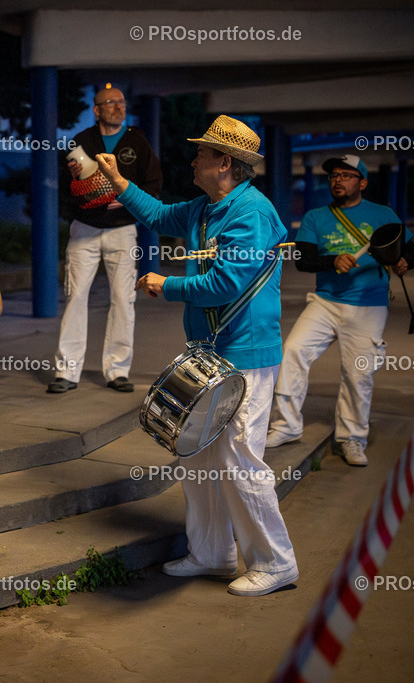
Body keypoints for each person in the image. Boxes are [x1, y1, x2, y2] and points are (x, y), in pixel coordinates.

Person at [96, 115, 299, 597]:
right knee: (199, 457)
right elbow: (161, 216)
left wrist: (167, 286)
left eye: (202, 153)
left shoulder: (250, 213)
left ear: (224, 163)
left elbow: (227, 283)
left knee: (238, 459)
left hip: (246, 353)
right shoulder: (208, 206)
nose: (194, 159)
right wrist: (119, 181)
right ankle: (212, 553)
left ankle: (276, 562)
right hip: (213, 353)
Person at [266, 154, 414, 465]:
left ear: (362, 182)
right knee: (293, 351)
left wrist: (406, 262)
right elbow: (304, 260)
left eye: (347, 175)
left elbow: (409, 251)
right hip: (325, 301)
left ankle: (351, 438)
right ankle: (286, 426)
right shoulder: (315, 217)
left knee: (358, 373)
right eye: (334, 175)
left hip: (369, 305)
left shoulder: (383, 214)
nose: (338, 180)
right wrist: (332, 260)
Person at [48, 86, 162, 394]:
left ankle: (117, 370)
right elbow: (62, 186)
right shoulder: (81, 142)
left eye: (122, 102)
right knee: (75, 297)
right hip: (84, 228)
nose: (118, 107)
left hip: (123, 229)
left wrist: (129, 201)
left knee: (123, 300)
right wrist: (76, 185)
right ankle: (66, 371)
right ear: (96, 110)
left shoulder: (136, 141)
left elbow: (154, 183)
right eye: (110, 103)